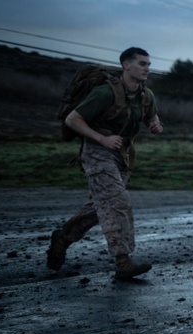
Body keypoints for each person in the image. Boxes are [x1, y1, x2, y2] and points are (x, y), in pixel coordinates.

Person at [46, 47, 163, 280]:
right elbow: (73, 119)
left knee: (101, 205)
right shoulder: (105, 93)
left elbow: (152, 116)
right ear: (126, 65)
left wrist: (155, 125)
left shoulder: (146, 95)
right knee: (118, 201)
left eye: (148, 64)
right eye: (142, 64)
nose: (147, 69)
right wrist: (102, 139)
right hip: (97, 151)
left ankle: (63, 238)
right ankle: (123, 261)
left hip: (123, 154)